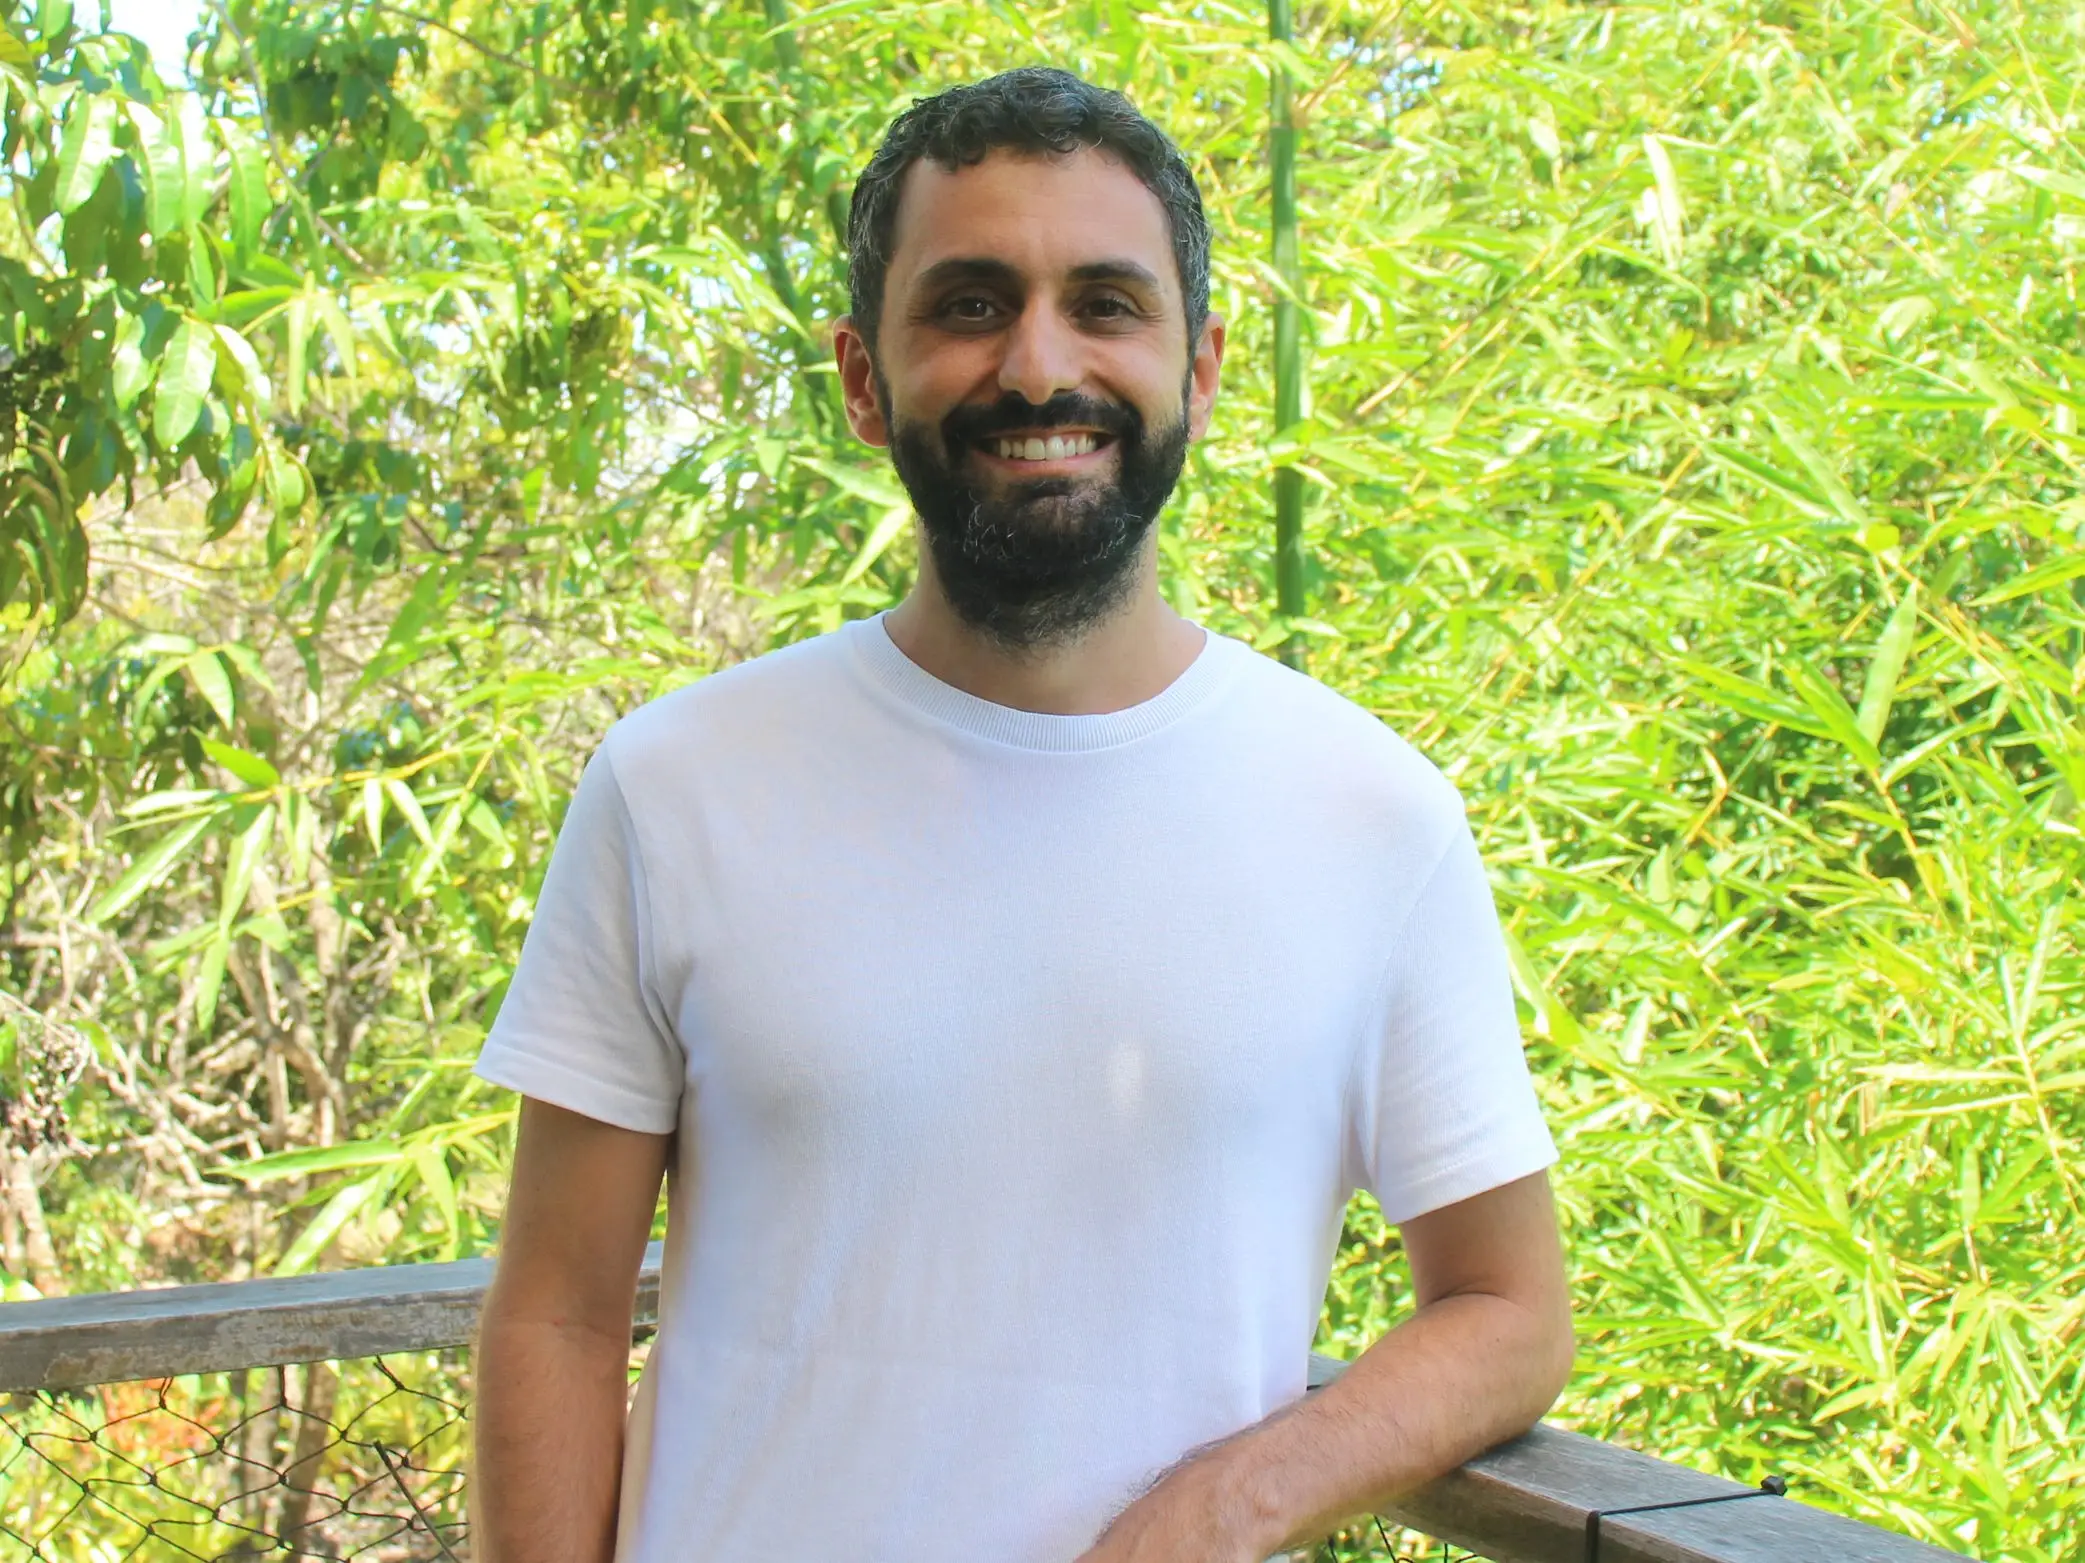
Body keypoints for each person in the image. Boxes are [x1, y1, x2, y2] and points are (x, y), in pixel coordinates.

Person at [471, 65, 1571, 1563]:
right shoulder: (676, 785)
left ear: (1203, 366)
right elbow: (556, 1310)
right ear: (864, 378)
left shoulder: (1373, 817)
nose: (1040, 366)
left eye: (1107, 304)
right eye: (970, 305)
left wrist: (1219, 1511)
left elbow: (1510, 1311)